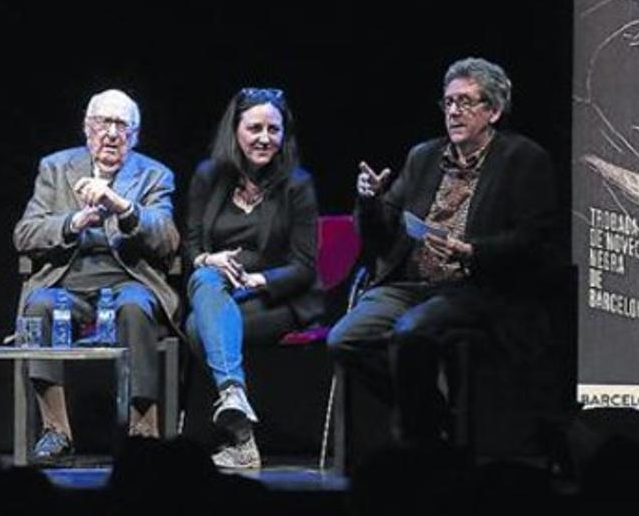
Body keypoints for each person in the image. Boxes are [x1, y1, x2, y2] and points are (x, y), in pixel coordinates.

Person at [328, 57, 556, 445]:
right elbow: (381, 234)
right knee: (344, 338)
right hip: (410, 284)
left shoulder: (523, 159)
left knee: (411, 332)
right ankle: (433, 416)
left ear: (494, 110)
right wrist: (370, 201)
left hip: (472, 287)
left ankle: (419, 439)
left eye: (466, 102)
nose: (453, 111)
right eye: (448, 102)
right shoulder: (423, 157)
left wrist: (471, 251)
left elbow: (535, 238)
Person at [13, 89, 180, 465]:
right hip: (66, 284)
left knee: (135, 308)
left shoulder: (155, 175)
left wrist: (120, 206)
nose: (111, 133)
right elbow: (25, 233)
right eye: (103, 122)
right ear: (87, 129)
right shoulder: (55, 168)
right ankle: (56, 431)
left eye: (121, 124)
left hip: (128, 283)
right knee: (38, 306)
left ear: (134, 135)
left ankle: (143, 430)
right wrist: (72, 223)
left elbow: (167, 238)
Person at [183, 87, 319, 469]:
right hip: (217, 289)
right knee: (207, 276)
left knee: (198, 327)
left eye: (273, 130)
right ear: (235, 130)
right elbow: (190, 248)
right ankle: (234, 395)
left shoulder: (297, 184)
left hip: (276, 298)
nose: (264, 138)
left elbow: (305, 266)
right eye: (255, 128)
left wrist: (256, 280)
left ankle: (240, 433)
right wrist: (211, 258)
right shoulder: (208, 177)